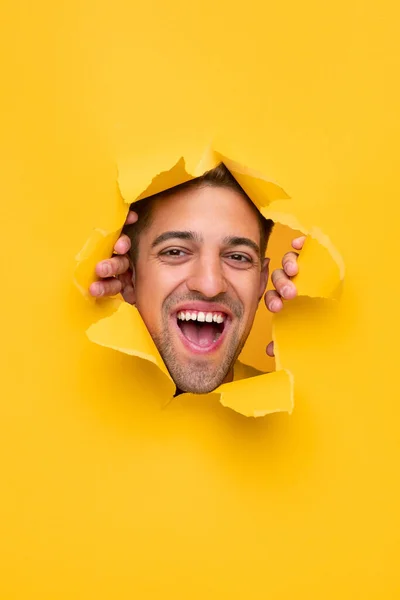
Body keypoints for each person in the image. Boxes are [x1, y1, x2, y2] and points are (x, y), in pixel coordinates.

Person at [89, 164, 305, 394]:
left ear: (261, 283)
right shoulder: (61, 413)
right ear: (129, 277)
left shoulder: (301, 416)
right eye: (175, 252)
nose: (210, 286)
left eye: (237, 257)